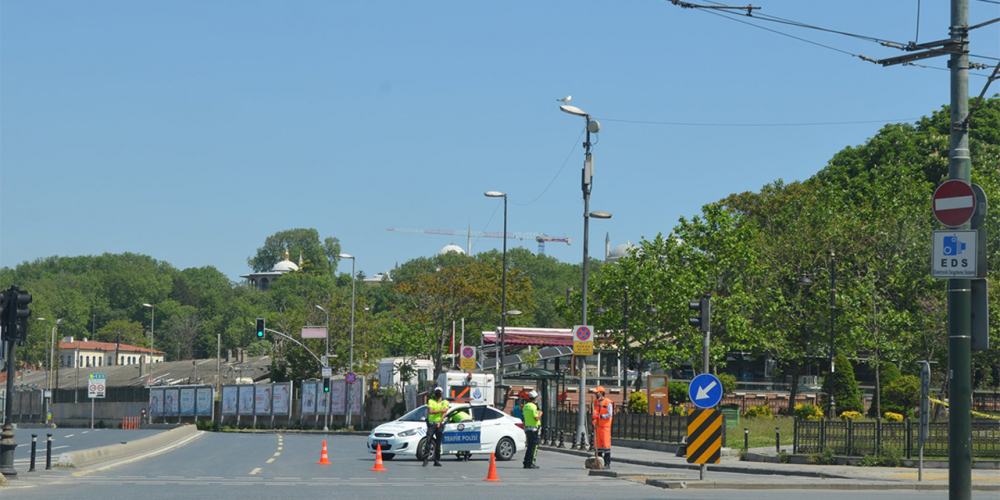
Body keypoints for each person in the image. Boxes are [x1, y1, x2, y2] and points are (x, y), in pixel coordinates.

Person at [424, 386, 449, 467]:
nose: (438, 394)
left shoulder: (445, 402)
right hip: (431, 424)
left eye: (439, 392)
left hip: (439, 424)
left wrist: (440, 421)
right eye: (436, 392)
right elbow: (431, 411)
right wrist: (441, 410)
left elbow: (445, 413)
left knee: (438, 443)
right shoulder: (431, 401)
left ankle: (437, 460)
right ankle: (425, 459)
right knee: (428, 441)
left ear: (442, 393)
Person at [591, 386, 614, 468]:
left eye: (597, 392)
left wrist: (599, 417)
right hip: (597, 426)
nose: (595, 394)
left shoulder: (608, 402)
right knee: (598, 445)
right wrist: (594, 420)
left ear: (601, 393)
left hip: (605, 427)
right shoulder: (595, 402)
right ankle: (599, 463)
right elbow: (595, 413)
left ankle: (607, 463)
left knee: (606, 446)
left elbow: (609, 414)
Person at [522, 390, 543, 469]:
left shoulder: (526, 406)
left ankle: (526, 462)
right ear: (535, 398)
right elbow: (536, 418)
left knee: (529, 446)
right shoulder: (533, 406)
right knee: (534, 446)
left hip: (528, 428)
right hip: (534, 428)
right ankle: (531, 462)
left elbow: (525, 418)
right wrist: (540, 413)